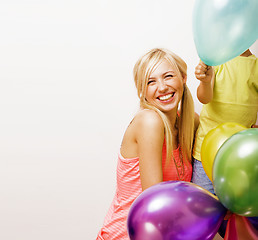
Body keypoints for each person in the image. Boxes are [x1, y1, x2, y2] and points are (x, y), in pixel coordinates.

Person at [96, 48, 199, 240]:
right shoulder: (149, 122)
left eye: (168, 76)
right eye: (151, 82)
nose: (162, 87)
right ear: (142, 91)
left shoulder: (188, 122)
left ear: (183, 78)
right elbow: (155, 204)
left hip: (166, 233)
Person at [191, 48, 258, 194]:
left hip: (240, 156)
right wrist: (205, 81)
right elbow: (204, 98)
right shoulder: (214, 60)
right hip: (205, 152)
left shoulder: (255, 66)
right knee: (202, 202)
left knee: (234, 207)